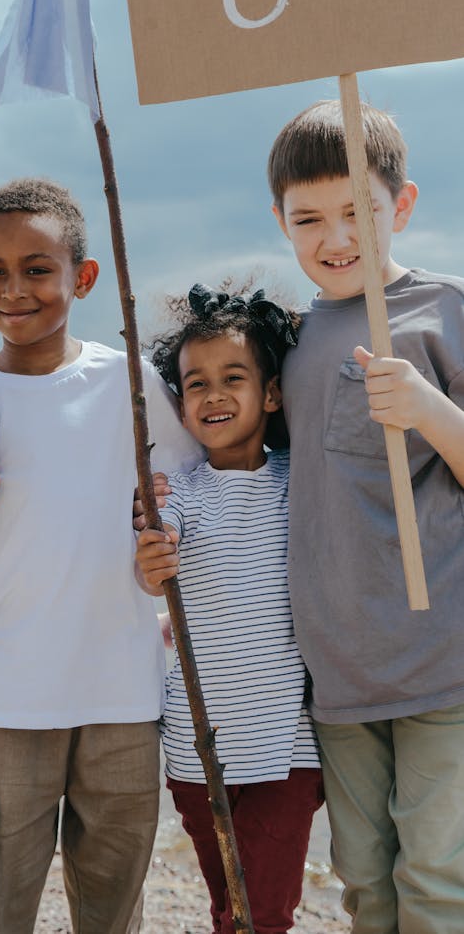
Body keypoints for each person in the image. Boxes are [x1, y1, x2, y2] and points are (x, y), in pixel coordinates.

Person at [0, 177, 201, 934]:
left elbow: (190, 488)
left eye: (37, 268)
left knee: (112, 911)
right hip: (5, 704)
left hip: (124, 697)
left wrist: (168, 536)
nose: (14, 288)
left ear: (83, 278)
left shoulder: (132, 386)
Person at [267, 99, 464, 934]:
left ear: (403, 206)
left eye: (359, 212)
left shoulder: (444, 310)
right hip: (337, 669)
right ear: (280, 222)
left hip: (442, 656)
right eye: (307, 218)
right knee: (364, 883)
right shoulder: (292, 339)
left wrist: (427, 407)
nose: (334, 235)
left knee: (437, 879)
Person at [135, 281, 323, 934]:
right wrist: (154, 559)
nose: (213, 394)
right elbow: (156, 564)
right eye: (196, 383)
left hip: (288, 752)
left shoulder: (298, 481)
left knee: (261, 913)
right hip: (196, 754)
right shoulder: (176, 491)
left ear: (271, 394)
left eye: (233, 377)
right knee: (229, 909)